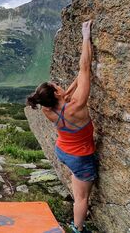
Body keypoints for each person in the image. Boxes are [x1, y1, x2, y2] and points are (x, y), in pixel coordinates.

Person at [26, 20, 97, 233]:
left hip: (63, 151)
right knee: (82, 197)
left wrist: (71, 85)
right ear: (57, 93)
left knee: (78, 187)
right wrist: (86, 36)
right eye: (57, 86)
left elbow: (63, 96)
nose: (60, 86)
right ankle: (78, 229)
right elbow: (85, 67)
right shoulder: (76, 106)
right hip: (80, 157)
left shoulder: (48, 109)